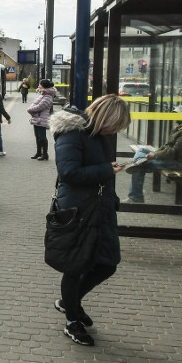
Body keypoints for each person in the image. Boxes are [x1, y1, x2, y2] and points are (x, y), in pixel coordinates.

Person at [48, 95, 130, 346]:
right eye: (115, 125)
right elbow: (69, 172)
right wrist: (107, 169)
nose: (116, 130)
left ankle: (69, 302)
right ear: (105, 117)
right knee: (75, 265)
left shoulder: (102, 134)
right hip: (77, 209)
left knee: (107, 263)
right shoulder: (72, 132)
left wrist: (112, 195)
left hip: (101, 207)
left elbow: (103, 169)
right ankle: (72, 320)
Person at [124, 105, 182, 203]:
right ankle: (137, 162)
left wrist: (155, 155)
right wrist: (155, 152)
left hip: (180, 163)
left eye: (176, 114)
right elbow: (167, 146)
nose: (174, 117)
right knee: (142, 151)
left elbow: (175, 151)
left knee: (139, 166)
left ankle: (136, 197)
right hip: (173, 160)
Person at [27, 79, 57, 161]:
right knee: (37, 137)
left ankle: (45, 154)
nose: (38, 86)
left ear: (44, 86)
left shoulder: (48, 96)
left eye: (40, 85)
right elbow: (34, 104)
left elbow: (39, 106)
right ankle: (38, 152)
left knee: (42, 137)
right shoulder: (42, 94)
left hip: (42, 119)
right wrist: (31, 108)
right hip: (37, 119)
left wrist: (29, 109)